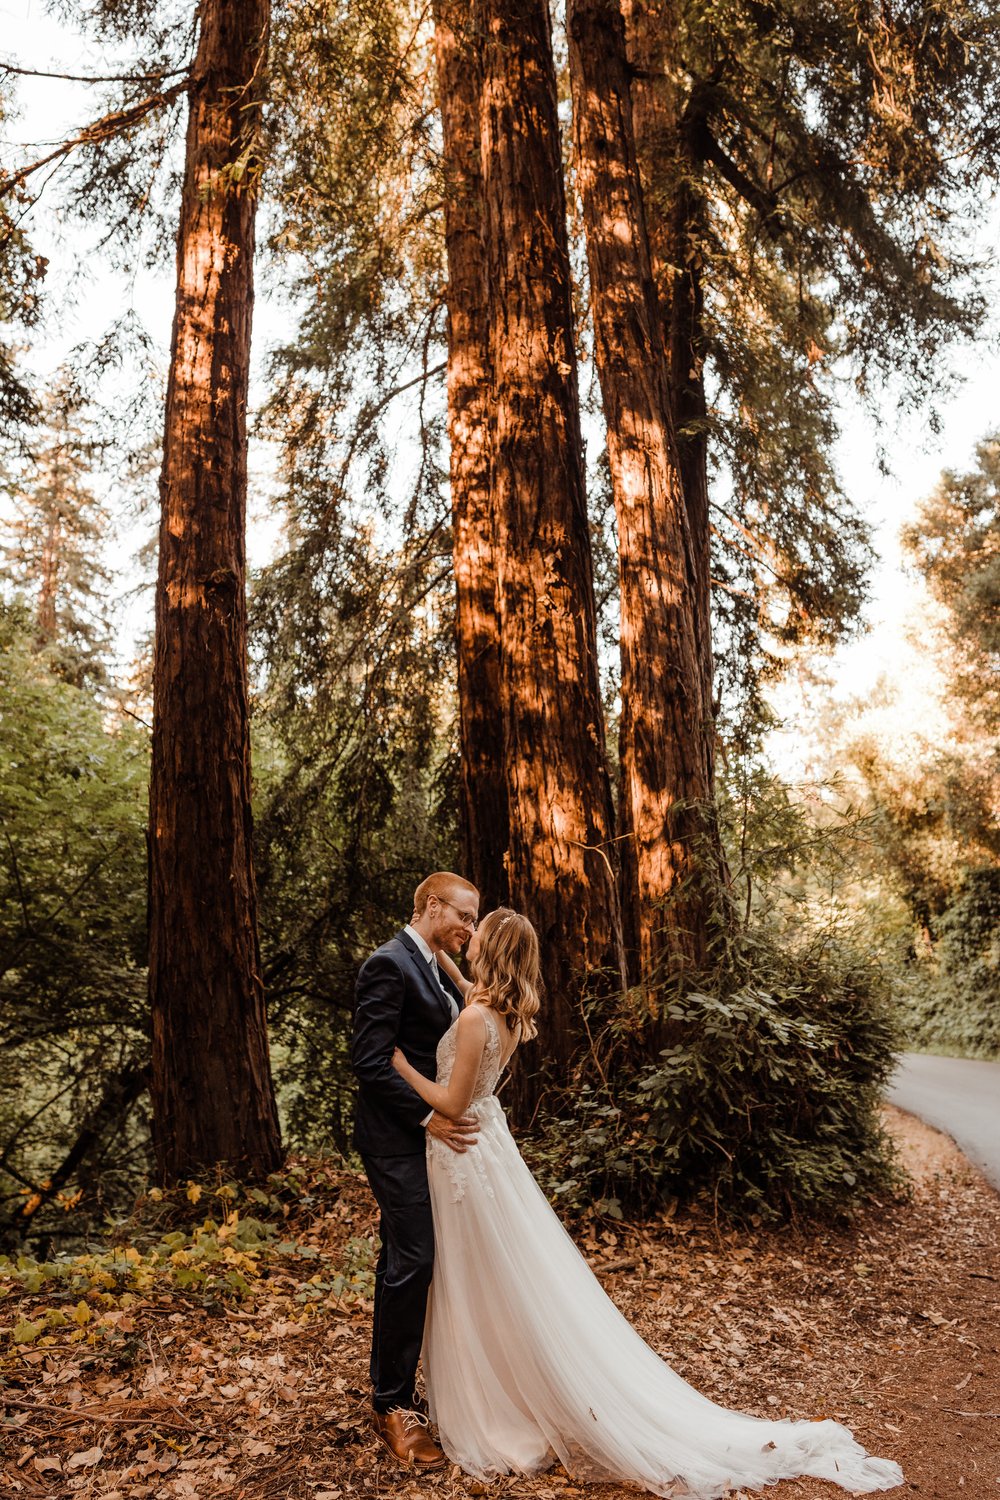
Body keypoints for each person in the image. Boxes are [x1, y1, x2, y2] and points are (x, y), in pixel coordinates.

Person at [390, 907, 904, 1499]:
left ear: (494, 952)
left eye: (477, 932)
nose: (468, 935)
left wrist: (402, 1067)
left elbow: (452, 1106)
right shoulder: (501, 1011)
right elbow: (466, 985)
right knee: (492, 1276)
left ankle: (498, 1407)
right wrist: (433, 943)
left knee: (475, 1277)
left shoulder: (479, 1018)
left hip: (464, 1150)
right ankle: (510, 1384)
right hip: (488, 1153)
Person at [350, 871, 481, 1469]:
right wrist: (428, 1118)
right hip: (395, 1140)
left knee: (406, 1259)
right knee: (415, 1259)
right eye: (463, 916)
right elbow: (372, 1062)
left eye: (475, 921)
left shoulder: (435, 965)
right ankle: (393, 1404)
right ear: (432, 906)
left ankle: (403, 1385)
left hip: (433, 1140)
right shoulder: (388, 964)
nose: (469, 928)